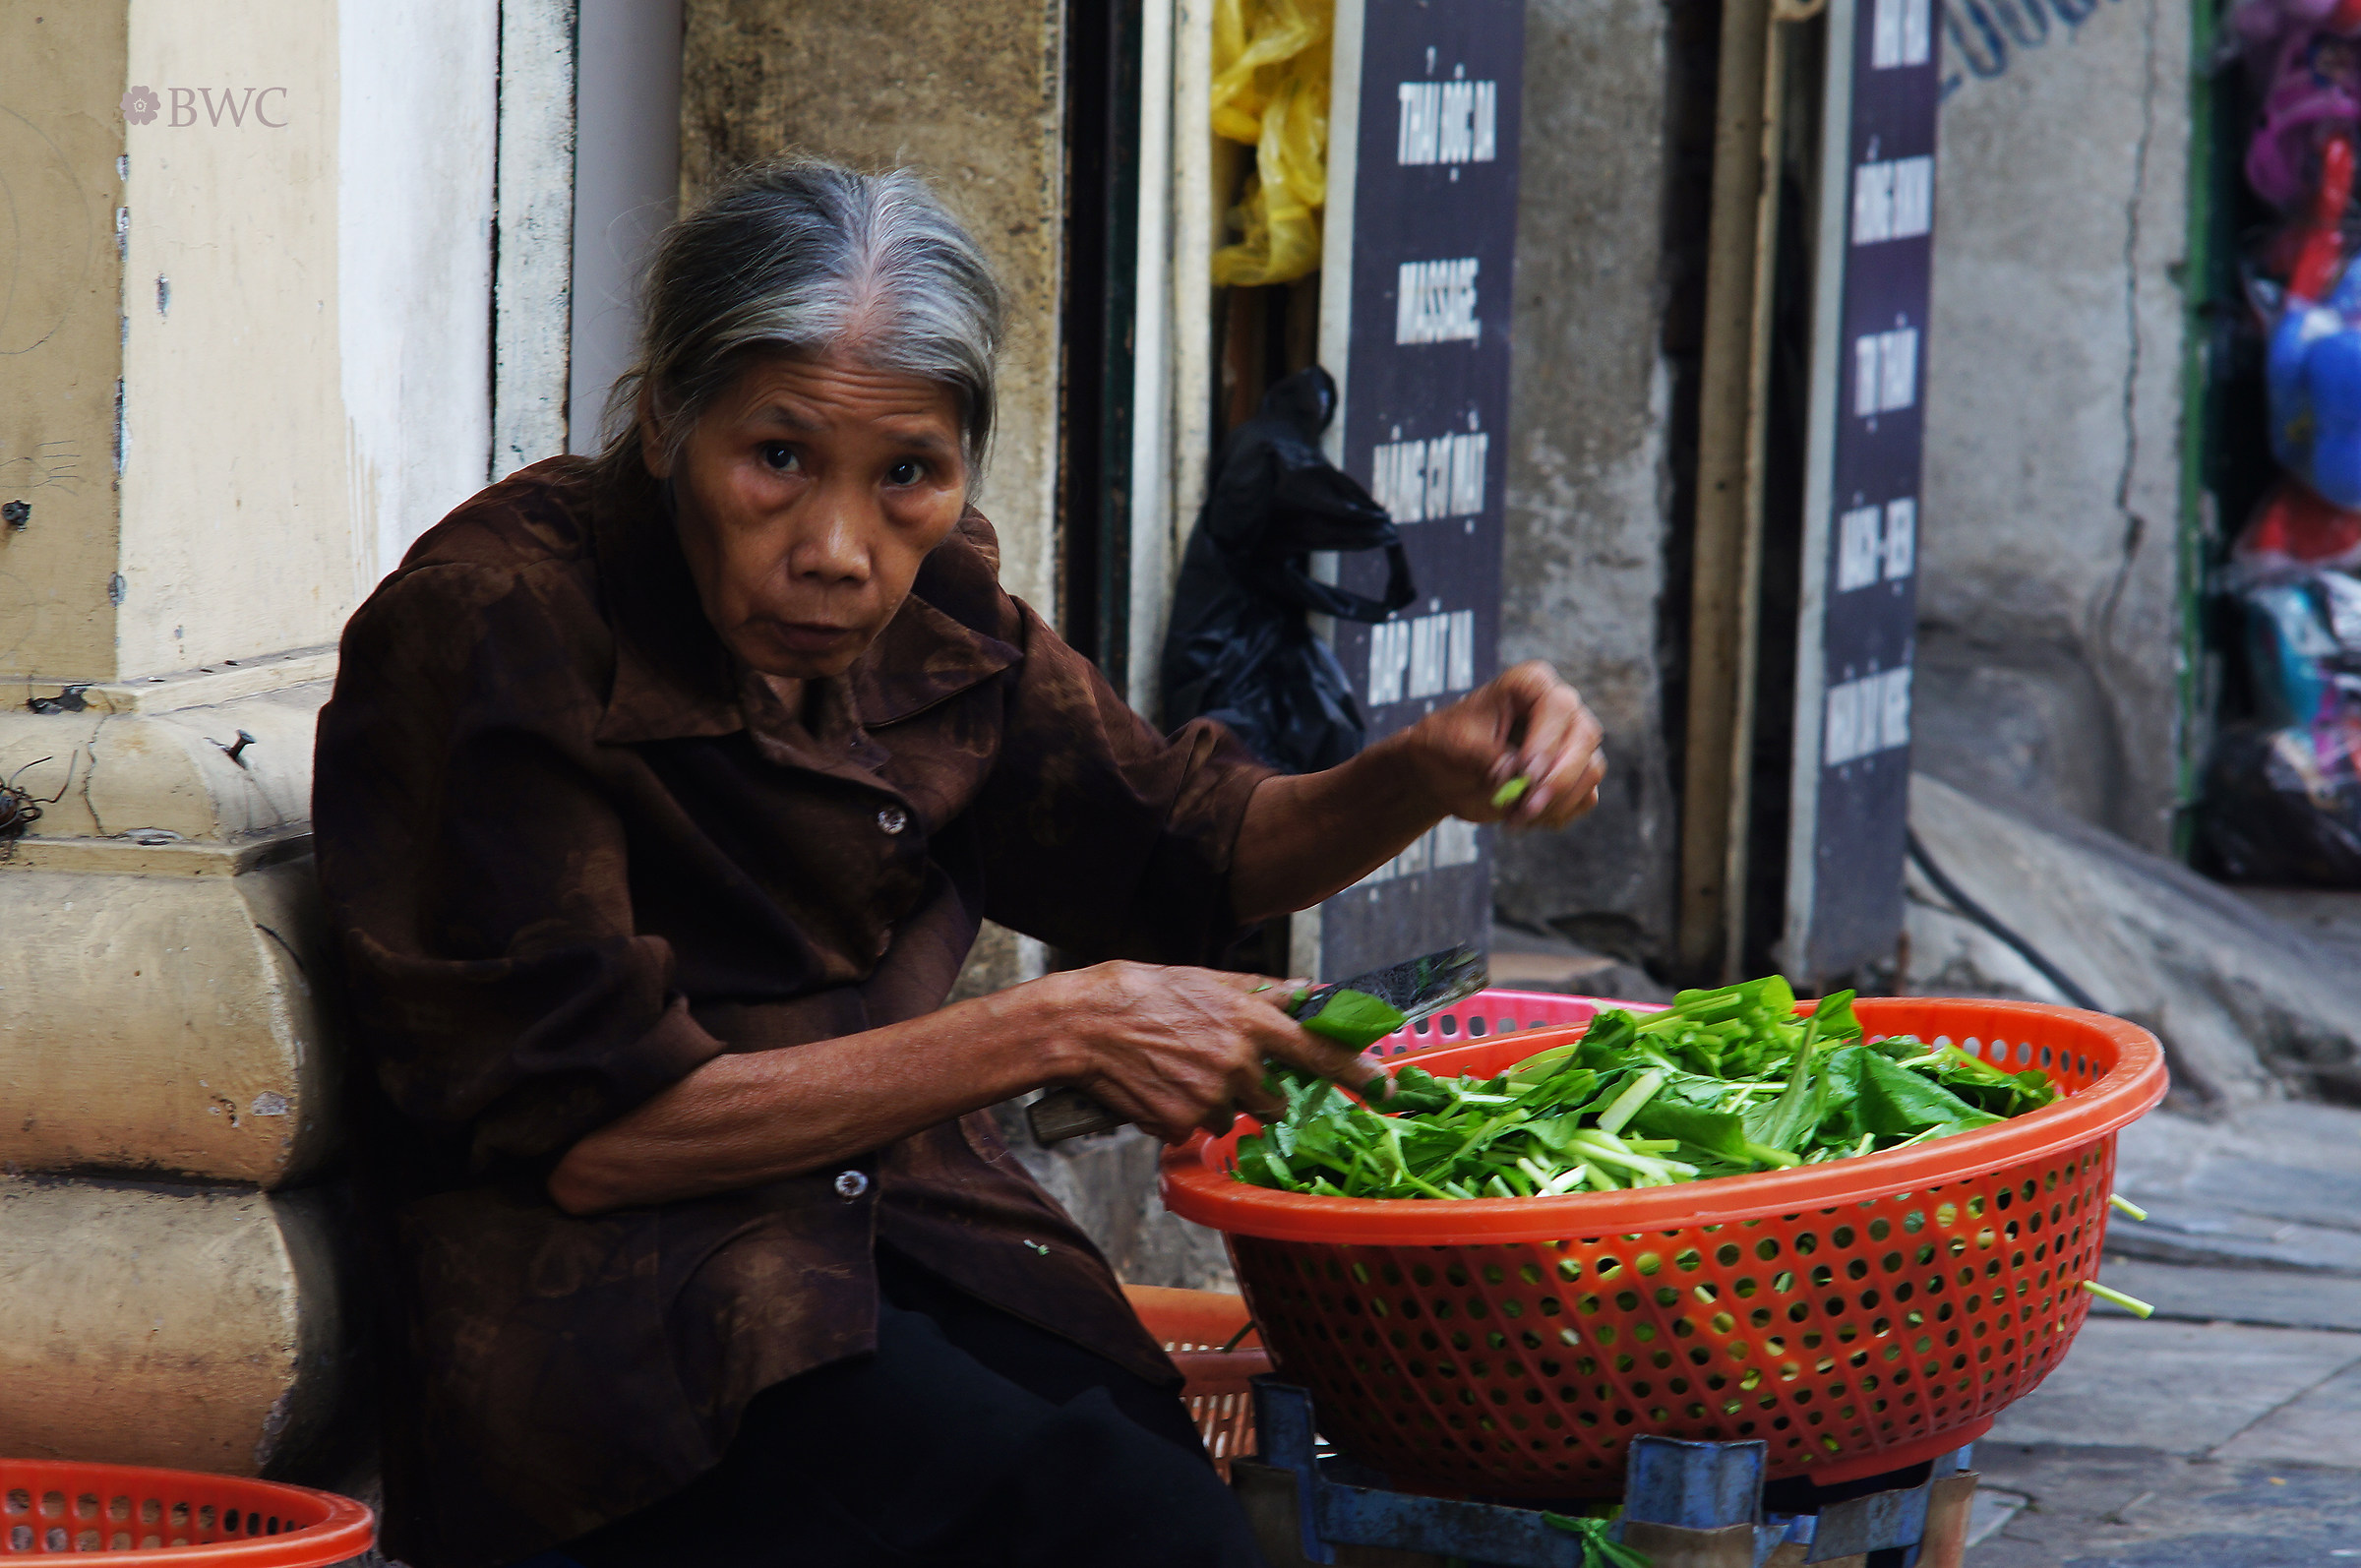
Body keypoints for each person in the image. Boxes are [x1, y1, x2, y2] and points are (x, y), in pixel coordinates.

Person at [313, 156, 1606, 1568]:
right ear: (671, 418)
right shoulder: (502, 624)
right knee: (1110, 1520)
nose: (838, 549)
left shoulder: (936, 606)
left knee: (1158, 1472)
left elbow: (1198, 846)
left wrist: (1425, 769)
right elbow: (600, 1141)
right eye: (779, 459)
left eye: (907, 476)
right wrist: (1057, 1021)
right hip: (618, 1339)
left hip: (888, 1231)